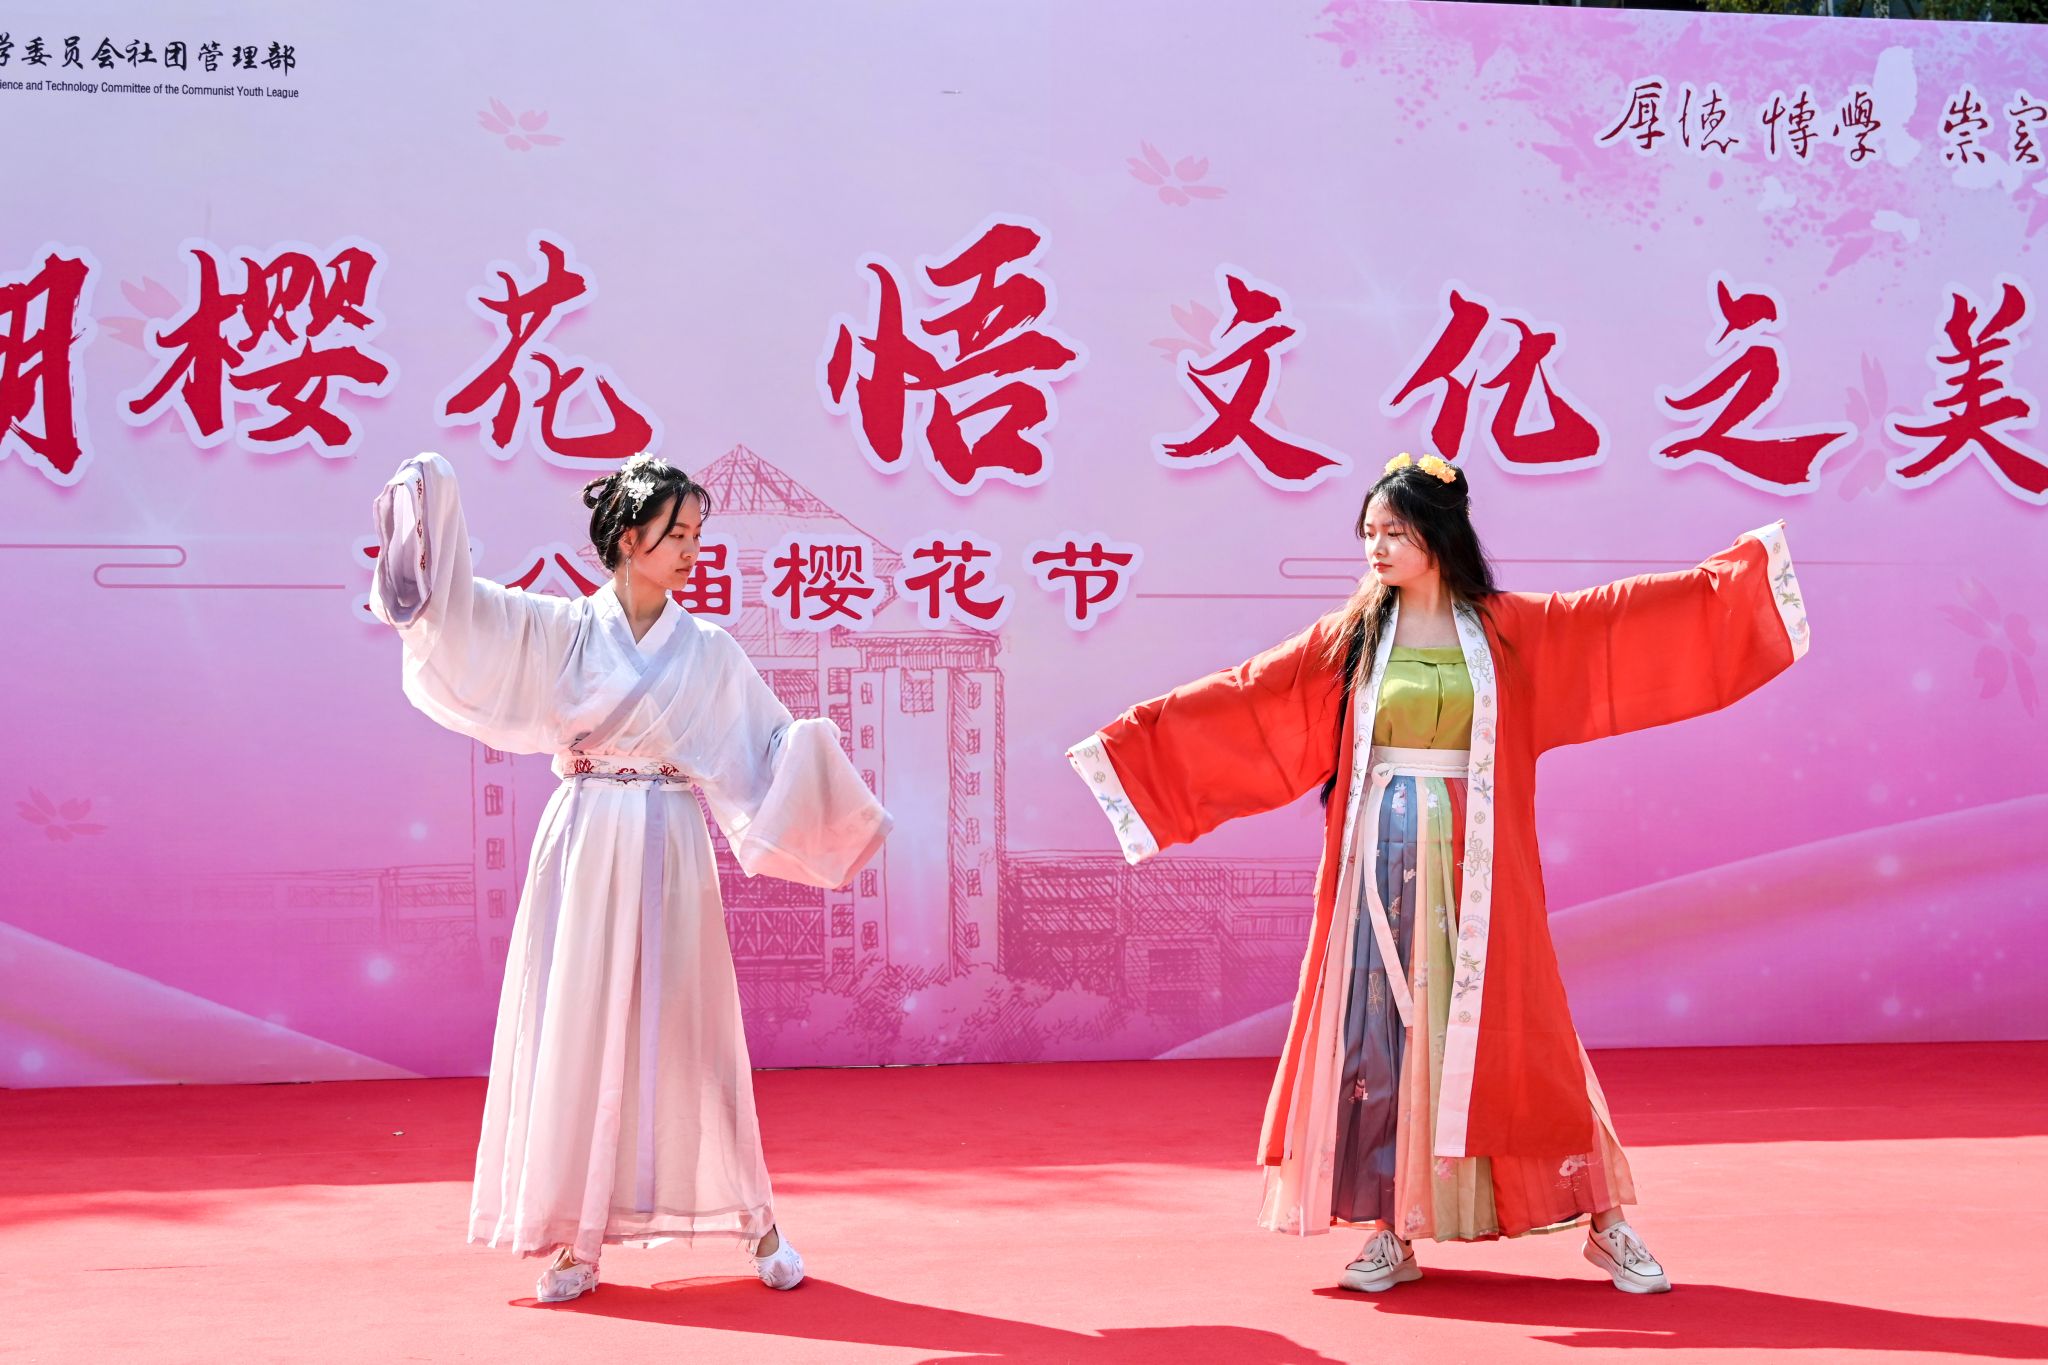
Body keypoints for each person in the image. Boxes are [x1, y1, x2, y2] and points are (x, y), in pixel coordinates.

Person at [1067, 452, 1809, 1294]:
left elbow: (1617, 624)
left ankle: (1606, 1221)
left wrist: (1739, 581)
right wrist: (1131, 746)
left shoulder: (1509, 628)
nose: (1376, 547)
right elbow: (1246, 698)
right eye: (1369, 533)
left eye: (1394, 531)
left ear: (1438, 533)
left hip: (1477, 863)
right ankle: (1392, 1230)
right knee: (1384, 1035)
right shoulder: (1350, 638)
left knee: (1522, 1028)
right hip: (1378, 866)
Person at [369, 450, 891, 1302]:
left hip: (671, 840)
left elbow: (765, 745)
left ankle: (756, 1220)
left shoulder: (710, 650)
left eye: (696, 534)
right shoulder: (563, 631)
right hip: (585, 835)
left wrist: (822, 771)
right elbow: (467, 617)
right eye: (674, 533)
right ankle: (573, 1240)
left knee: (695, 1032)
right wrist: (428, 509)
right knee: (578, 1025)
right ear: (626, 536)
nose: (690, 549)